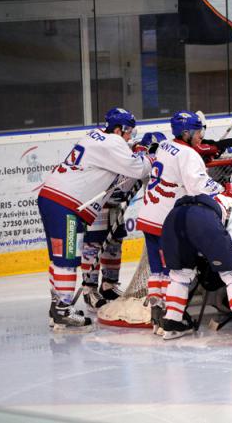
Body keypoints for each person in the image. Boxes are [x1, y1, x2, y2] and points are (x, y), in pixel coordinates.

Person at [37, 107, 153, 330]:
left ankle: (57, 307)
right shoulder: (114, 143)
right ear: (119, 129)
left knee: (58, 259)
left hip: (50, 198)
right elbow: (138, 168)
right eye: (129, 132)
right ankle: (62, 310)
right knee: (67, 260)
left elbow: (120, 163)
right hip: (66, 205)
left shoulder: (95, 136)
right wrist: (147, 152)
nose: (130, 136)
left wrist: (136, 150)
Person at [135, 111, 226, 334]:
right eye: (197, 131)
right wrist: (224, 191)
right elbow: (199, 187)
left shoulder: (165, 145)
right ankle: (170, 317)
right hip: (165, 221)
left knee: (157, 271)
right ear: (186, 133)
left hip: (148, 216)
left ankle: (156, 315)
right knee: (173, 271)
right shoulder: (188, 154)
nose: (200, 135)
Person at [159, 189, 232, 344]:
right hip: (202, 219)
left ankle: (172, 322)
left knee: (180, 274)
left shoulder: (217, 197)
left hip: (174, 217)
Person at [80, 131, 167, 311]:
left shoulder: (146, 159)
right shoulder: (122, 151)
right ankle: (89, 290)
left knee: (114, 244)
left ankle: (109, 286)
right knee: (94, 244)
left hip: (115, 204)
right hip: (97, 203)